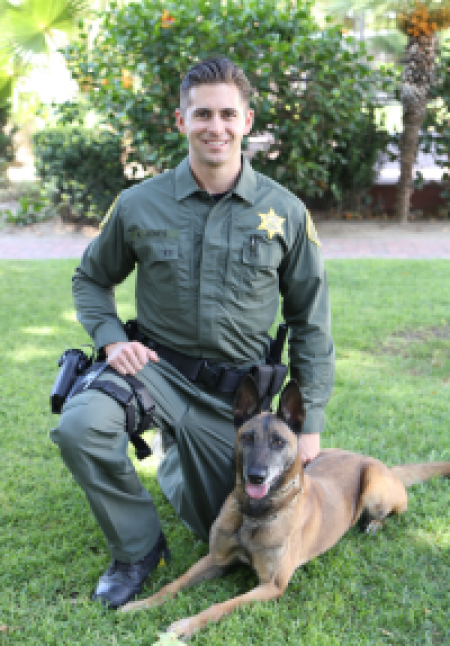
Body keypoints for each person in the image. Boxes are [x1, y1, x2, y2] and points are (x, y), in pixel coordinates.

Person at [50, 57, 334, 609]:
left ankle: (178, 453)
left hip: (237, 404)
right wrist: (112, 340)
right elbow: (91, 279)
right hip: (153, 372)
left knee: (225, 533)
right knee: (81, 425)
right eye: (202, 113)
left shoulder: (285, 212)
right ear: (181, 121)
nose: (216, 126)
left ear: (247, 120)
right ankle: (137, 549)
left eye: (228, 114)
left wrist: (313, 422)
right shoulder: (139, 204)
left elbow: (310, 321)